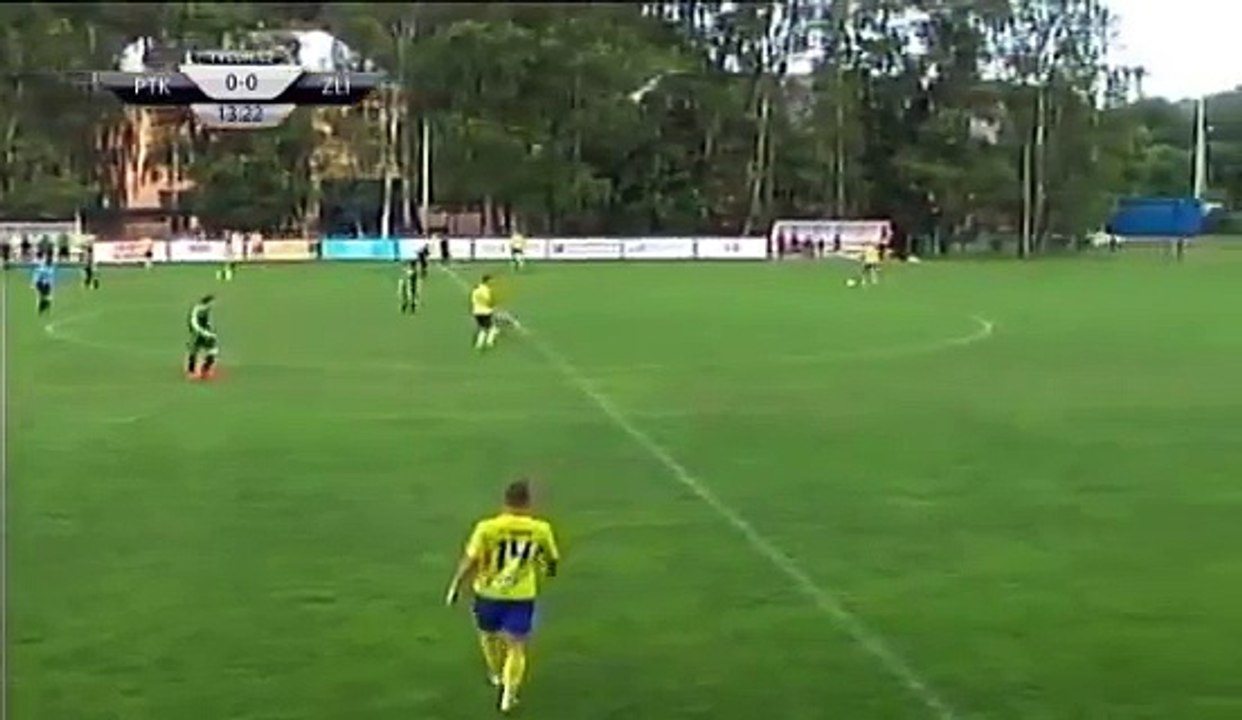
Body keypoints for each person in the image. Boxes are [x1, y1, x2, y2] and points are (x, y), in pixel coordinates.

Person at [445, 479, 561, 714]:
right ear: (528, 502)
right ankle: (509, 694)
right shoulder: (540, 528)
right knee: (516, 646)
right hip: (521, 596)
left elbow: (470, 559)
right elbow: (551, 560)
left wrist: (456, 586)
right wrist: (548, 571)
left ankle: (496, 673)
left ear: (505, 502)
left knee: (488, 636)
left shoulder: (487, 527)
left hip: (487, 592)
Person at [186, 294, 220, 380]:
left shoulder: (207, 309)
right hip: (197, 333)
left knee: (213, 351)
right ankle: (191, 371)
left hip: (205, 332)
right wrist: (204, 333)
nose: (213, 305)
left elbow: (207, 321)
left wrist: (211, 331)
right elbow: (193, 323)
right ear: (207, 302)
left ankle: (205, 370)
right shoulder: (196, 310)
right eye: (211, 303)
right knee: (193, 351)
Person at [470, 274, 499, 350]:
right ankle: (489, 342)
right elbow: (489, 301)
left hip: (476, 311)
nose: (492, 282)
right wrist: (493, 305)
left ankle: (478, 344)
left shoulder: (476, 288)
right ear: (487, 281)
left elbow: (473, 300)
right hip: (485, 312)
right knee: (492, 328)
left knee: (482, 328)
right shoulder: (486, 290)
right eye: (491, 281)